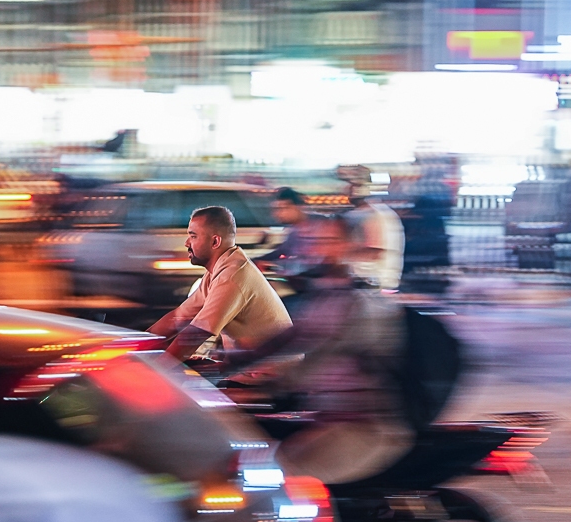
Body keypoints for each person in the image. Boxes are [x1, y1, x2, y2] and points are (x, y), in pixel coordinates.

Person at [229, 214, 412, 484]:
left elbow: (325, 351)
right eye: (313, 240)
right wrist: (228, 362)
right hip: (325, 419)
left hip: (360, 429)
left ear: (349, 246)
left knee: (272, 479)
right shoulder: (322, 294)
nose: (317, 248)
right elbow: (288, 339)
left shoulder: (358, 301)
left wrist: (268, 387)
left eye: (329, 241)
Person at [147, 205, 291, 362]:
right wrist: (140, 344)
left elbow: (196, 333)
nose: (187, 243)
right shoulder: (219, 270)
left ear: (215, 241)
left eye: (193, 236)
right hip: (246, 364)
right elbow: (178, 317)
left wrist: (157, 367)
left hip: (268, 371)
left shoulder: (232, 276)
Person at [343, 178, 405, 292]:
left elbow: (374, 252)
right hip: (374, 282)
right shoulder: (379, 213)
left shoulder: (372, 215)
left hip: (374, 284)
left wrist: (340, 255)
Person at [258, 187, 311, 275]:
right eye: (275, 210)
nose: (278, 214)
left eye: (283, 208)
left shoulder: (321, 227)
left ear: (299, 207)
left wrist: (277, 265)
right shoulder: (295, 231)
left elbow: (312, 264)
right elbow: (281, 251)